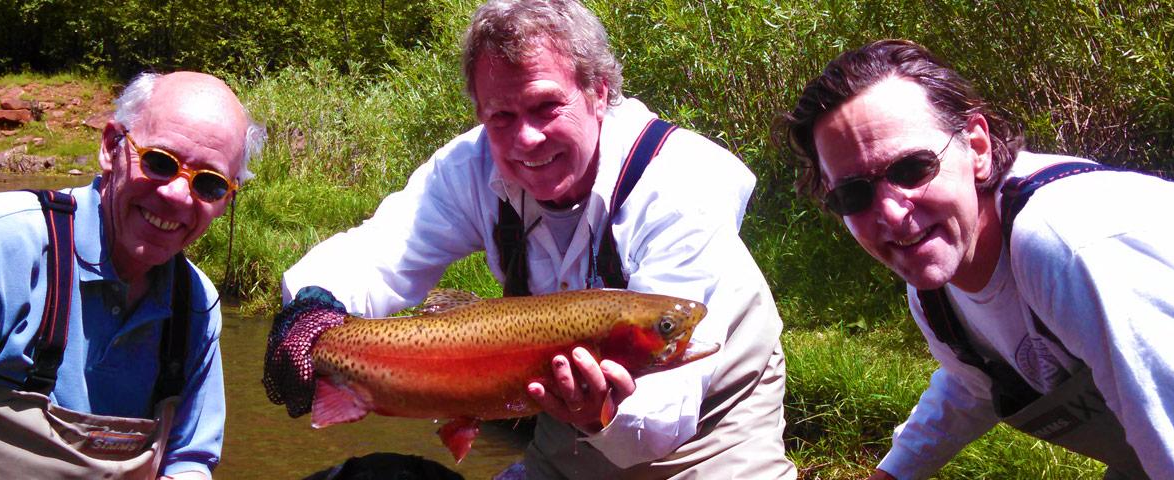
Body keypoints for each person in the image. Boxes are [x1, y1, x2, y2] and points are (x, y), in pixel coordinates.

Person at [274, 0, 794, 478]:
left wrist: (597, 411)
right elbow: (378, 253)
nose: (526, 138)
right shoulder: (471, 166)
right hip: (567, 440)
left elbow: (661, 418)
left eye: (546, 106)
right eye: (501, 115)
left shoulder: (683, 180)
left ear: (598, 93)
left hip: (711, 442)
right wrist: (313, 312)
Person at [784, 39, 1174, 479]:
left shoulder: (1069, 248)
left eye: (912, 168)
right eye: (853, 193)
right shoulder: (936, 294)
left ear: (978, 148)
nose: (891, 214)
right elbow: (975, 381)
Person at [0, 71, 265, 479]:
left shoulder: (195, 306)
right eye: (160, 162)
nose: (177, 195)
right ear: (110, 146)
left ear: (226, 199)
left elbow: (188, 458)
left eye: (208, 184)